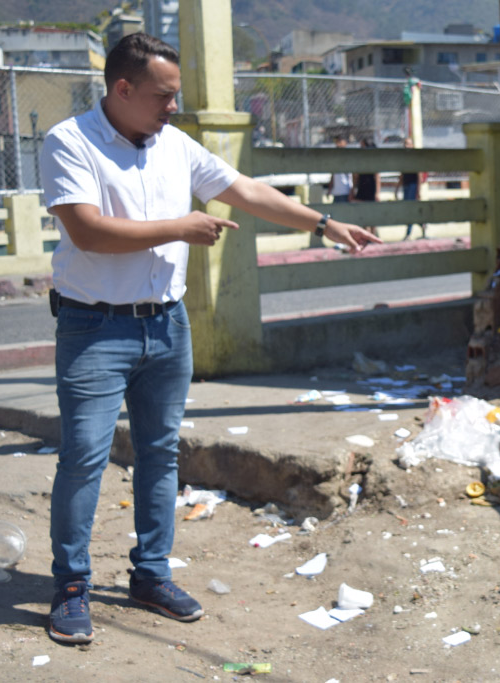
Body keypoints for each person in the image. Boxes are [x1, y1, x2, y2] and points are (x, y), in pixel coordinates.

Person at [38, 33, 380, 645]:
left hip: (167, 325)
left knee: (161, 454)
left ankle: (151, 574)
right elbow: (87, 231)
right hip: (94, 327)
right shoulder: (69, 141)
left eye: (177, 96)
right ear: (122, 89)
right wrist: (180, 226)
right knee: (86, 457)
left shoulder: (175, 145)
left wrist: (325, 223)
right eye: (163, 96)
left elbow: (245, 190)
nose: (173, 107)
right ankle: (70, 587)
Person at [395, 137, 427, 239]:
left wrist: (418, 190)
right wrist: (397, 188)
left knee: (410, 210)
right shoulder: (403, 158)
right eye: (405, 143)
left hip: (413, 186)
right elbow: (402, 175)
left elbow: (419, 175)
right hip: (406, 186)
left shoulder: (414, 157)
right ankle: (422, 225)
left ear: (412, 145)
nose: (406, 146)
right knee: (408, 210)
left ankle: (408, 234)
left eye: (408, 144)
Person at [352, 138, 379, 236]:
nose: (361, 148)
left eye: (362, 146)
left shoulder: (373, 159)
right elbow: (355, 176)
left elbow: (377, 176)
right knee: (363, 212)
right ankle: (366, 235)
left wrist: (377, 193)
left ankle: (373, 234)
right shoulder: (359, 159)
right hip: (362, 188)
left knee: (372, 213)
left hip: (371, 189)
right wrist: (353, 189)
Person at [327, 135, 353, 203]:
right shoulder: (335, 157)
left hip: (345, 191)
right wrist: (329, 189)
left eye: (340, 141)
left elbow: (351, 176)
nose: (337, 143)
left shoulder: (348, 157)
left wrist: (351, 191)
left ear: (345, 143)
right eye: (337, 142)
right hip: (336, 192)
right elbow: (333, 174)